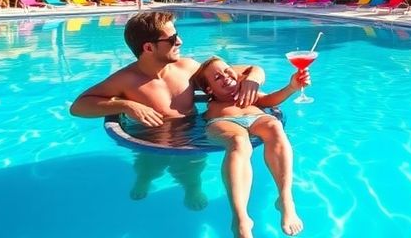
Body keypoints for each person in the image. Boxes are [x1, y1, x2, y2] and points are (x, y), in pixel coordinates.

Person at [69, 11, 266, 208]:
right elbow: (78, 107)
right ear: (148, 47)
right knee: (149, 167)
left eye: (177, 35)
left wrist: (254, 78)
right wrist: (127, 105)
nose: (179, 41)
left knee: (192, 168)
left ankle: (192, 188)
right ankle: (144, 179)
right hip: (151, 137)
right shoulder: (126, 80)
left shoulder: (187, 68)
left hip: (191, 134)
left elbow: (239, 71)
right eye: (172, 39)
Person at [192, 56, 308, 238]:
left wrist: (291, 87)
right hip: (223, 121)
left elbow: (269, 100)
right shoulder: (214, 105)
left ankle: (285, 199)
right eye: (217, 78)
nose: (225, 77)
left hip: (256, 118)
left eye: (227, 71)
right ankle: (240, 219)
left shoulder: (246, 92)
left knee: (274, 126)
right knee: (239, 141)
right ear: (209, 89)